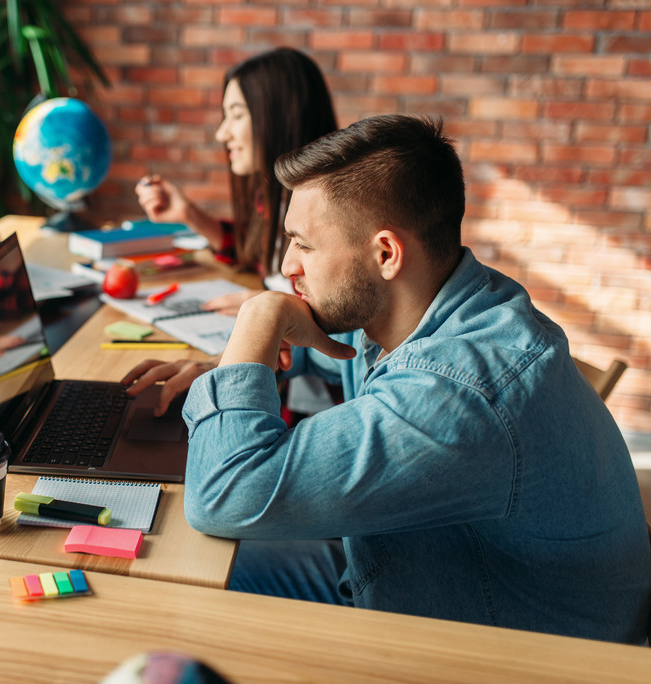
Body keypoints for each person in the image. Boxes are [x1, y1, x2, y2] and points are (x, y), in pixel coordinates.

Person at [176, 114, 651, 644]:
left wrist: (259, 320)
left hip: (503, 656)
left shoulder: (459, 393)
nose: (287, 266)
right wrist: (232, 367)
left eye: (303, 244)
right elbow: (334, 351)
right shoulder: (433, 302)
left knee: (185, 594)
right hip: (404, 578)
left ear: (385, 253)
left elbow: (225, 494)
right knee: (205, 574)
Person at [132, 47, 339, 418]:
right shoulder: (270, 197)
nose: (221, 132)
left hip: (316, 404)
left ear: (276, 116)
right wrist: (189, 215)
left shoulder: (329, 208)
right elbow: (255, 252)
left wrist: (263, 312)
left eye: (236, 115)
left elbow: (340, 321)